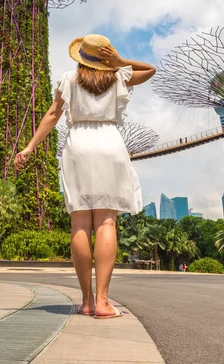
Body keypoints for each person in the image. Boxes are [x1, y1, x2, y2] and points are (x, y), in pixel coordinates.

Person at [15, 34, 155, 319]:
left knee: (79, 222)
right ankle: (103, 302)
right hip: (110, 143)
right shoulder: (118, 77)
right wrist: (120, 62)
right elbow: (150, 70)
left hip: (77, 144)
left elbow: (53, 115)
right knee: (106, 221)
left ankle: (87, 301)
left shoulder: (68, 79)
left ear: (81, 56)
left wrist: (29, 147)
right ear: (105, 56)